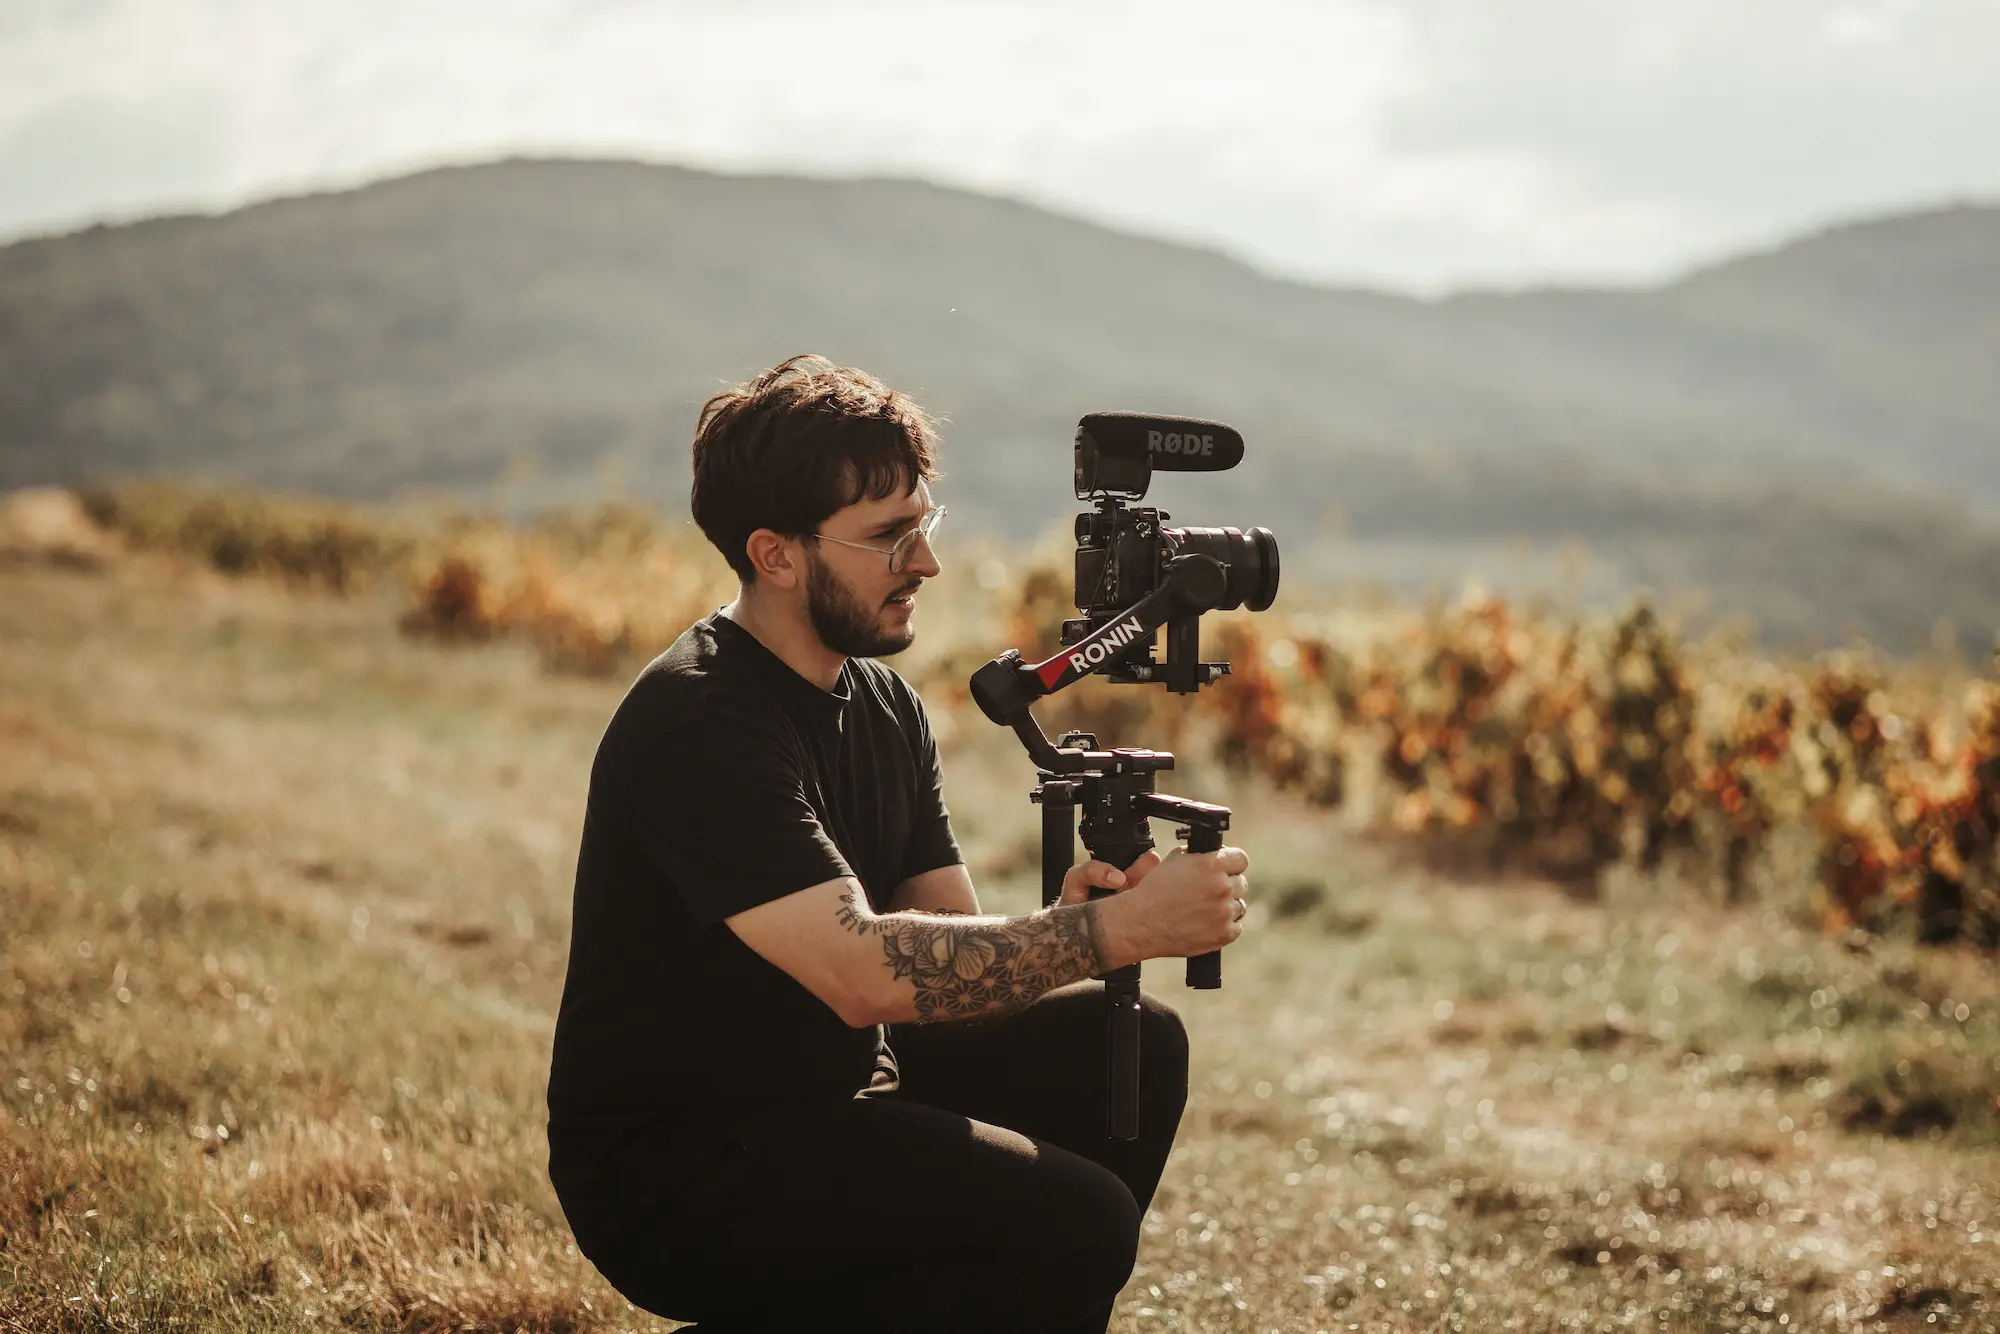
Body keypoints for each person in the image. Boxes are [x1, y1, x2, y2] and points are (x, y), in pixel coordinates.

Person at [546, 354, 1252, 1333]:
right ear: (776, 555)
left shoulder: (883, 703)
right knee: (1079, 1221)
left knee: (1130, 1045)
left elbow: (944, 965)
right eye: (887, 537)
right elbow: (863, 974)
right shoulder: (700, 722)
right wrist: (1116, 934)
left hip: (840, 1093)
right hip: (682, 1168)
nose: (924, 562)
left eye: (923, 523)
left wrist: (1070, 925)